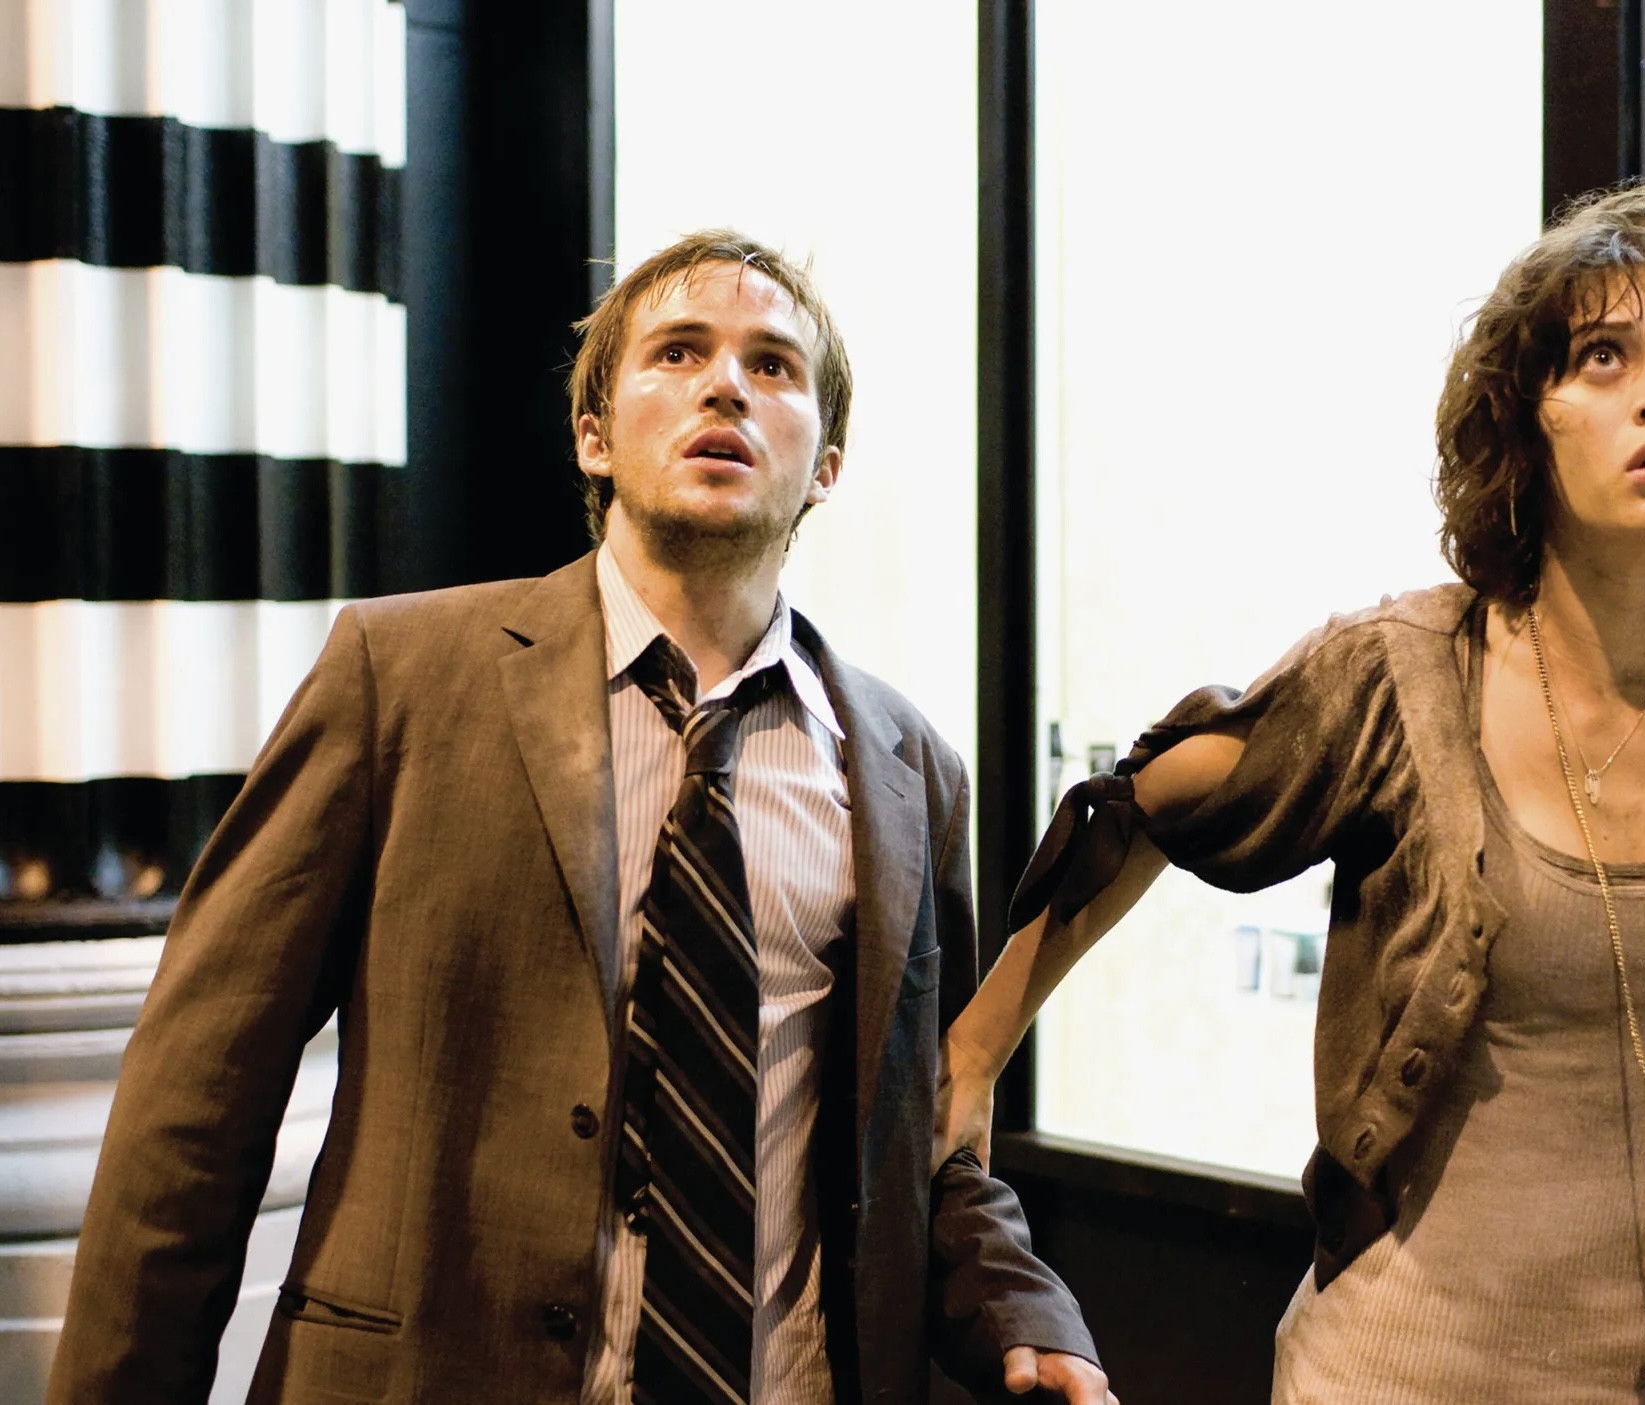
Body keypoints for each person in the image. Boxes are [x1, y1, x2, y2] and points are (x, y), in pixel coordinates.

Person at [50, 231, 1109, 1405]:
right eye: (678, 352)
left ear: (825, 466)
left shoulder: (910, 770)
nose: (725, 386)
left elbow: (926, 1134)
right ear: (593, 437)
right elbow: (198, 1097)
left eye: (772, 365)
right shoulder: (397, 680)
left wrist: (1022, 1306)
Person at [938, 188, 1645, 1403]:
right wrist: (977, 1048)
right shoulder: (1406, 676)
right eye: (1602, 358)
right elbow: (1146, 799)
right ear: (1525, 423)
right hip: (1403, 1371)